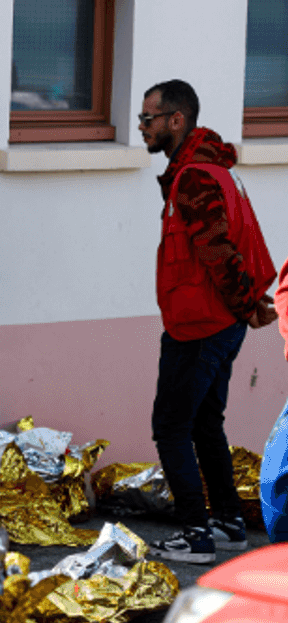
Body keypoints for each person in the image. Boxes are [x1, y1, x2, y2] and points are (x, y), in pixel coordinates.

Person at [137, 78, 279, 564]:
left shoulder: (196, 177)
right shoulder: (210, 170)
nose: (141, 128)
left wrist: (245, 306)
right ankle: (228, 524)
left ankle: (195, 533)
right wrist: (247, 308)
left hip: (200, 324)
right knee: (203, 423)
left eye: (149, 118)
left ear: (177, 120)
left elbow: (219, 251)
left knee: (170, 425)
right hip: (218, 320)